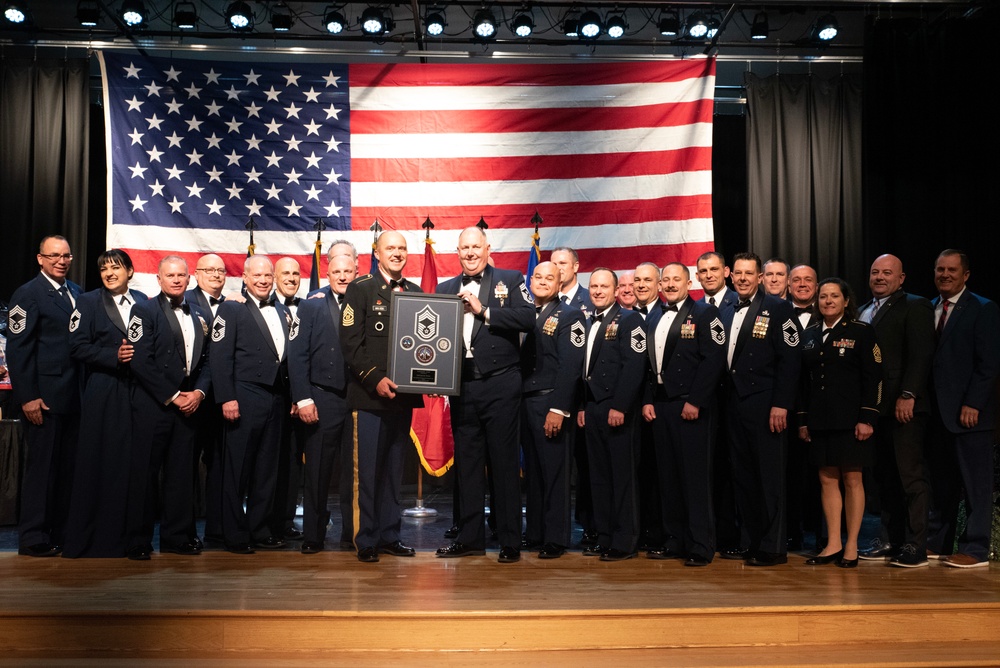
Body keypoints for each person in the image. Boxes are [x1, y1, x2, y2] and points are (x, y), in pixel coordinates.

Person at [436, 226, 534, 563]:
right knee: (468, 466)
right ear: (458, 252)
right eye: (465, 248)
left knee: (505, 465)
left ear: (487, 248)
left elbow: (528, 317)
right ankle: (470, 538)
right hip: (462, 387)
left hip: (501, 385)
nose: (471, 253)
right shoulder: (444, 288)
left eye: (476, 246)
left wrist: (484, 311)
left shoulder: (511, 277)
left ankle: (509, 541)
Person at [339, 230, 422, 563]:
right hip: (369, 398)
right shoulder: (360, 290)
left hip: (402, 399)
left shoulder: (416, 292)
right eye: (391, 248)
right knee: (368, 473)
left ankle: (390, 534)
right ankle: (367, 538)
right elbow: (350, 344)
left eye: (402, 248)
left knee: (393, 472)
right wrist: (375, 380)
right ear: (377, 252)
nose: (397, 253)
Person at [126, 255, 212, 560]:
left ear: (189, 279)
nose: (176, 280)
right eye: (170, 275)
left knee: (182, 476)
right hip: (155, 406)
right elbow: (139, 360)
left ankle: (178, 537)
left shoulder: (201, 313)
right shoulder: (143, 310)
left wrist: (199, 392)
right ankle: (138, 540)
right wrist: (174, 395)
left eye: (181, 275)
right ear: (159, 279)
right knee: (144, 476)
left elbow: (208, 360)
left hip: (189, 406)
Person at [63, 250, 147, 558]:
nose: (109, 273)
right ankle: (97, 540)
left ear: (130, 271)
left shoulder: (143, 301)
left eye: (115, 268)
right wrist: (112, 357)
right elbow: (77, 346)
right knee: (102, 461)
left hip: (139, 392)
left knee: (133, 465)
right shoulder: (86, 302)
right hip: (104, 389)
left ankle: (132, 539)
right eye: (103, 270)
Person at [642, 263, 727, 566]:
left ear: (688, 282)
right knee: (669, 478)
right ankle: (674, 539)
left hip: (691, 407)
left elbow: (714, 358)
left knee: (695, 479)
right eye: (666, 279)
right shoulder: (654, 315)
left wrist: (696, 400)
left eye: (676, 279)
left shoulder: (705, 313)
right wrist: (648, 399)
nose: (670, 284)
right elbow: (648, 365)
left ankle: (700, 544)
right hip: (661, 406)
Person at [720, 252, 800, 567]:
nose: (742, 278)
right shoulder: (726, 309)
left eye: (748, 273)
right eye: (737, 273)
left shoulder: (779, 308)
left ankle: (773, 546)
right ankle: (752, 541)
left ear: (760, 277)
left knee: (770, 478)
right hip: (733, 404)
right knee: (743, 478)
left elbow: (790, 360)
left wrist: (781, 404)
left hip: (766, 405)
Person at [856, 254, 935, 568]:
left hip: (904, 407)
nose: (879, 277)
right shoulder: (862, 310)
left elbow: (921, 354)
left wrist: (908, 394)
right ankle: (889, 539)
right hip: (876, 410)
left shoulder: (915, 306)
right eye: (875, 272)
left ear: (901, 278)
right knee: (884, 478)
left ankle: (916, 545)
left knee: (910, 477)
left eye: (887, 273)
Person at [798, 278, 882, 569]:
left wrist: (868, 417)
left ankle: (852, 544)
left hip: (852, 420)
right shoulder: (809, 334)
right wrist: (803, 420)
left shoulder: (861, 331)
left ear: (846, 301)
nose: (828, 301)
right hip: (820, 419)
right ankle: (832, 543)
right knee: (827, 479)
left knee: (852, 478)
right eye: (823, 297)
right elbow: (803, 384)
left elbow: (874, 378)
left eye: (835, 296)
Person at [6, 235, 82, 557]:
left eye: (65, 256)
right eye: (53, 256)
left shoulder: (77, 292)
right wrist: (28, 397)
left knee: (67, 472)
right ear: (40, 259)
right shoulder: (28, 294)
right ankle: (34, 537)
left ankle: (62, 532)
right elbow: (18, 350)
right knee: (41, 472)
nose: (60, 261)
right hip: (44, 399)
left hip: (73, 397)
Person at [211, 255, 292, 554]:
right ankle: (234, 535)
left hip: (276, 398)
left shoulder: (283, 311)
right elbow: (220, 357)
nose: (262, 280)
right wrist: (226, 397)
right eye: (256, 275)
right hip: (243, 397)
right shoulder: (232, 309)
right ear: (244, 278)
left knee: (267, 469)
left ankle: (260, 529)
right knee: (237, 470)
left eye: (267, 276)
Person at [926, 250, 1000, 569]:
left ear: (965, 275)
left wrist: (973, 402)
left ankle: (976, 548)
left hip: (971, 414)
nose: (945, 274)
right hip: (938, 415)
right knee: (941, 482)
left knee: (976, 485)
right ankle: (937, 543)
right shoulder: (927, 308)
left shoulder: (983, 309)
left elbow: (989, 363)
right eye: (940, 269)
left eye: (952, 270)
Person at [288, 254, 356, 554]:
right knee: (317, 471)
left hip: (358, 399)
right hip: (322, 398)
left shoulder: (368, 302)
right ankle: (313, 536)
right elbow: (297, 354)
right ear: (328, 274)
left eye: (348, 271)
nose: (342, 277)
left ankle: (354, 534)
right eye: (337, 272)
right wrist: (303, 398)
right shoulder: (310, 305)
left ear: (357, 272)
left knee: (354, 474)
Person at [578, 268, 647, 561]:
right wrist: (582, 405)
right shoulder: (586, 320)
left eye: (604, 286)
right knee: (599, 477)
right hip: (592, 408)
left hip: (617, 408)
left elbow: (634, 366)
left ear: (617, 289)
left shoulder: (630, 320)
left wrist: (620, 405)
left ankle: (624, 541)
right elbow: (582, 370)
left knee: (622, 478)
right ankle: (605, 536)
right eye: (593, 286)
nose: (597, 291)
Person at [520, 261, 586, 559]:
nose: (543, 282)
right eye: (539, 277)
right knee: (532, 472)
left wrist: (559, 408)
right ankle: (534, 532)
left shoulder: (570, 316)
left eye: (551, 278)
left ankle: (555, 538)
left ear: (560, 283)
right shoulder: (522, 314)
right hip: (524, 402)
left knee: (555, 473)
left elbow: (570, 368)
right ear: (530, 280)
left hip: (550, 403)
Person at [696, 251, 741, 560]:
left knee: (733, 471)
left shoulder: (738, 302)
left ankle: (732, 534)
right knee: (707, 472)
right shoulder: (695, 308)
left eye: (714, 269)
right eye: (703, 270)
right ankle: (708, 533)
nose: (709, 274)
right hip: (704, 404)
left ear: (726, 271)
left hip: (735, 400)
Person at [186, 253, 227, 547]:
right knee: (185, 469)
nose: (215, 274)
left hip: (221, 401)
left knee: (221, 468)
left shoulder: (233, 306)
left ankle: (218, 529)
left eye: (220, 270)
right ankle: (184, 532)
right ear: (196, 274)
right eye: (209, 270)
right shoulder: (182, 300)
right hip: (191, 400)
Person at [786, 263, 822, 552]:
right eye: (796, 280)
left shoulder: (828, 316)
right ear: (787, 285)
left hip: (821, 408)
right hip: (785, 408)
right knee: (790, 476)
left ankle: (825, 536)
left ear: (817, 284)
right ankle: (792, 533)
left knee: (824, 475)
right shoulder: (776, 312)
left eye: (807, 280)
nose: (801, 284)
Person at [630, 261, 665, 550]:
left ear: (659, 285)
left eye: (647, 280)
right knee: (636, 472)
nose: (641, 285)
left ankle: (657, 532)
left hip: (656, 408)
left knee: (657, 473)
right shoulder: (626, 317)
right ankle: (638, 531)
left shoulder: (666, 316)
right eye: (637, 280)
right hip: (629, 409)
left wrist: (647, 400)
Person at [271, 256, 305, 543]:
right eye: (286, 273)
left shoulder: (308, 307)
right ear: (274, 277)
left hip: (302, 399)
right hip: (274, 398)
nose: (291, 278)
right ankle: (267, 520)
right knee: (272, 461)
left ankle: (286, 519)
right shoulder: (262, 306)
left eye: (296, 273)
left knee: (294, 463)